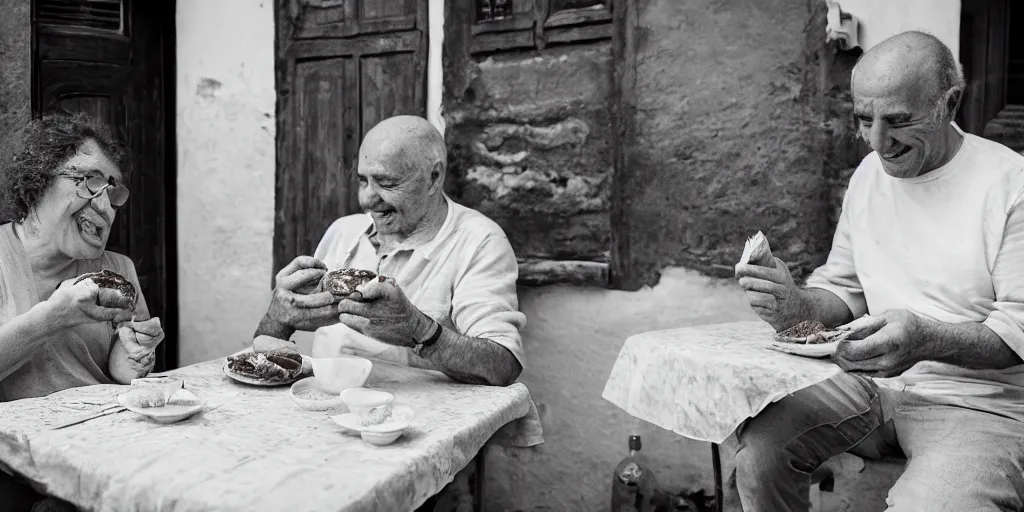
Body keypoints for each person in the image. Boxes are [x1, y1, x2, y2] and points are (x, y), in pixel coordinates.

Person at [734, 31, 1024, 511]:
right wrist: (794, 305)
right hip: (871, 388)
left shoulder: (1010, 186)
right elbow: (844, 293)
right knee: (761, 452)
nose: (877, 142)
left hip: (980, 406)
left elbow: (1020, 329)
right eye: (863, 119)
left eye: (898, 121)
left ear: (949, 104)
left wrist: (927, 340)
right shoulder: (869, 175)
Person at [254, 115, 525, 387]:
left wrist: (420, 331)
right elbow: (262, 356)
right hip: (328, 409)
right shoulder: (344, 232)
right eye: (363, 181)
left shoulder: (479, 241)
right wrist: (278, 317)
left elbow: (503, 365)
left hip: (423, 421)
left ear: (433, 177)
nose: (367, 199)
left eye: (387, 183)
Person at [0, 112, 166, 509]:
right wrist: (52, 317)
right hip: (22, 466)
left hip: (109, 452)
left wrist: (137, 355)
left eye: (114, 193)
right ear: (39, 179)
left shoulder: (118, 270)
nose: (107, 206)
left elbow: (121, 372)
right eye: (91, 182)